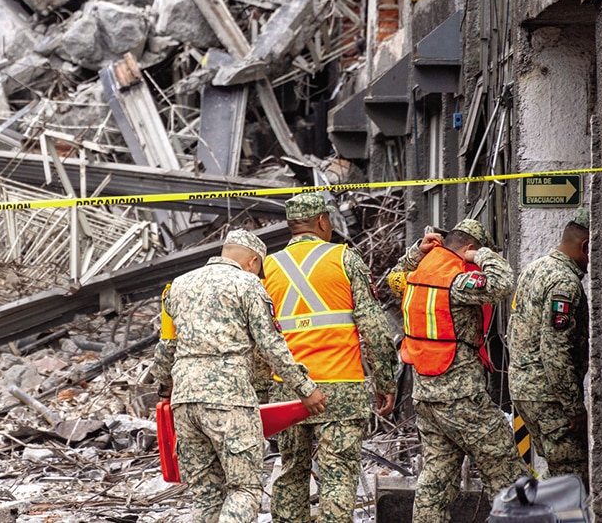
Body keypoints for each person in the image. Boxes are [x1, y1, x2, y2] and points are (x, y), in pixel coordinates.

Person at [152, 229, 327, 523]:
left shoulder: (179, 286)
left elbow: (167, 345)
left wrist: (165, 389)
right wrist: (305, 389)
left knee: (206, 494)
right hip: (228, 400)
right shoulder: (247, 285)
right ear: (253, 261)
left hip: (185, 402)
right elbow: (271, 345)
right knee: (244, 489)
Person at [261, 192, 398, 523]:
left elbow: (260, 336)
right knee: (338, 474)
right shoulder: (344, 258)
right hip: (342, 387)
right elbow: (375, 328)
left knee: (292, 470)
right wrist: (386, 380)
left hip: (288, 391)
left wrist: (261, 389)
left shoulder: (268, 266)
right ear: (322, 221)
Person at [389, 218, 528, 523]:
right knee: (504, 464)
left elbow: (393, 278)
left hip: (425, 395)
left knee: (436, 477)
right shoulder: (455, 281)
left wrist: (416, 250)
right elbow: (503, 282)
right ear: (467, 249)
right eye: (474, 255)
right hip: (461, 397)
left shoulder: (417, 275)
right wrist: (483, 257)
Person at [507, 207, 590, 487]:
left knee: (557, 475)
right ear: (586, 246)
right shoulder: (563, 283)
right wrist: (573, 406)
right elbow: (555, 351)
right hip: (549, 397)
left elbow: (515, 330)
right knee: (573, 477)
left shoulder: (534, 269)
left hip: (525, 390)